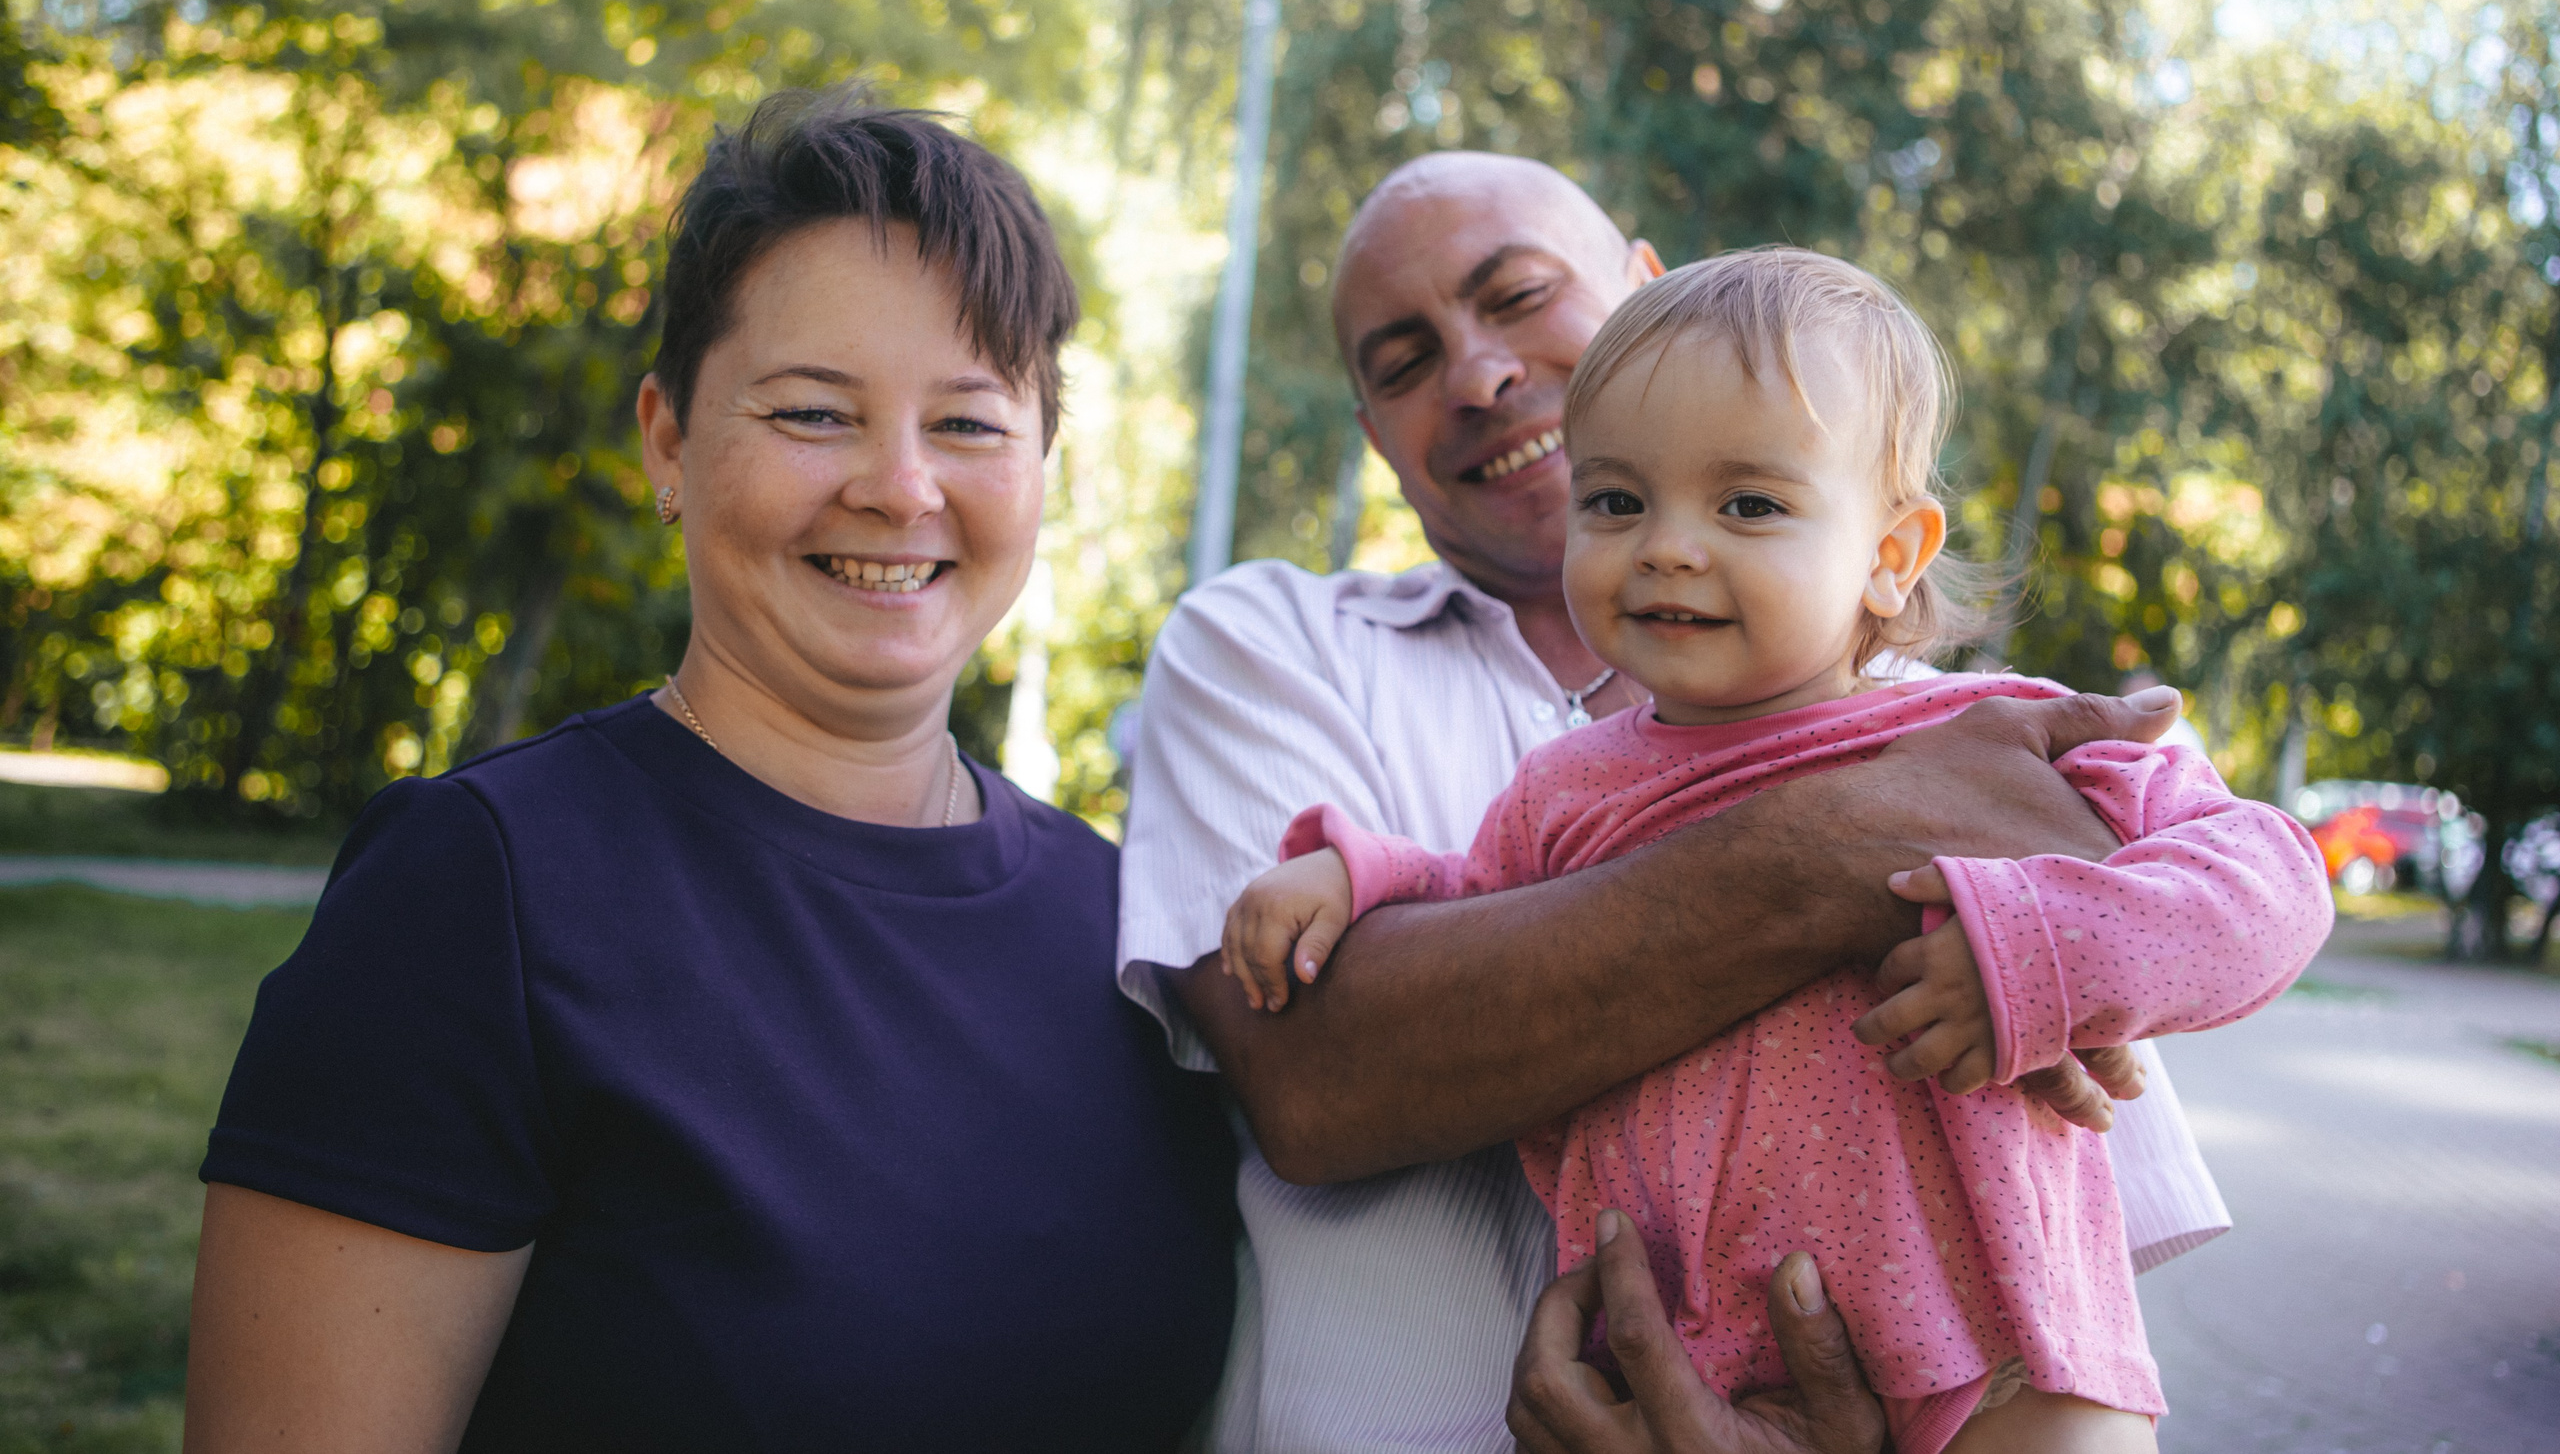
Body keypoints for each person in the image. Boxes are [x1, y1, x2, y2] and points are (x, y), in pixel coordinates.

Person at [1117, 152, 2231, 1453]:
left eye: (1519, 295)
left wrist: (2057, 952)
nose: (1475, 376)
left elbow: (2136, 1039)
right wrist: (1853, 848)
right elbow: (1319, 1070)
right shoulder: (1269, 643)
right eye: (1404, 362)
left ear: (1650, 288)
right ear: (1374, 437)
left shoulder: (1949, 721)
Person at [183, 90, 1238, 1452]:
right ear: (669, 441)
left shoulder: (1130, 931)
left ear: (1044, 463)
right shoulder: (477, 897)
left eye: (970, 424)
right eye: (814, 412)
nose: (899, 486)